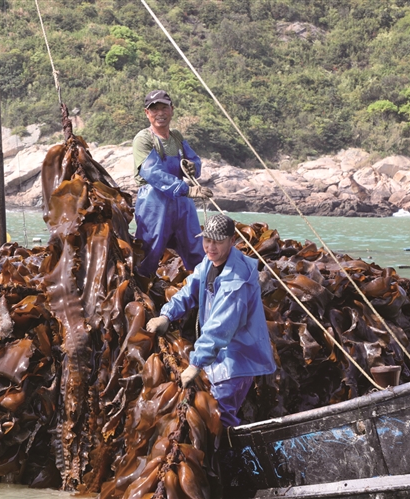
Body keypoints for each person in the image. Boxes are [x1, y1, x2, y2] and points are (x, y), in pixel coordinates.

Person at [145, 214, 276, 427]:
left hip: (238, 358)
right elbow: (190, 290)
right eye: (207, 240)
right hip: (219, 355)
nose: (210, 246)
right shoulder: (210, 261)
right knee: (212, 415)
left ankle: (231, 456)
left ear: (232, 241)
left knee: (220, 417)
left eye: (218, 241)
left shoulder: (236, 279)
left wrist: (196, 363)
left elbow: (221, 326)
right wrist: (166, 315)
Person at [133, 89, 213, 276]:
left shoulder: (176, 137)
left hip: (183, 205)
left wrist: (193, 166)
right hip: (154, 204)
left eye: (164, 108)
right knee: (149, 251)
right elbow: (152, 173)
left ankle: (202, 290)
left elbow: (194, 160)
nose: (160, 113)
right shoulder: (144, 139)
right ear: (147, 113)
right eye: (154, 109)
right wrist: (187, 189)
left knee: (195, 248)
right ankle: (140, 293)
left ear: (172, 110)